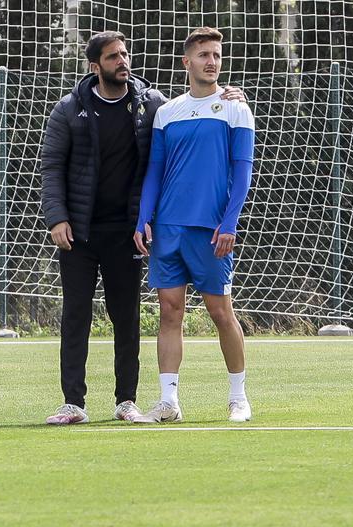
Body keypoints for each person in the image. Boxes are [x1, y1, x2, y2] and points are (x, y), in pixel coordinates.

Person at [39, 31, 245, 425]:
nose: (123, 61)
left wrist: (231, 96)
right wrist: (57, 217)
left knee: (126, 316)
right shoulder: (69, 109)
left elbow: (197, 107)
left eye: (125, 54)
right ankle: (73, 404)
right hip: (78, 230)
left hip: (127, 230)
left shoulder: (151, 104)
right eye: (113, 57)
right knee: (76, 314)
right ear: (94, 66)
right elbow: (51, 166)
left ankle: (126, 401)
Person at [132, 27, 256, 424]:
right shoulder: (168, 112)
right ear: (187, 62)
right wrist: (143, 218)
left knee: (221, 312)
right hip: (168, 229)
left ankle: (238, 397)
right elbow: (154, 171)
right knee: (169, 312)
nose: (212, 62)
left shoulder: (236, 108)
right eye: (203, 55)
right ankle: (168, 402)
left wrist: (230, 222)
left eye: (217, 55)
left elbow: (242, 173)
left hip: (211, 229)